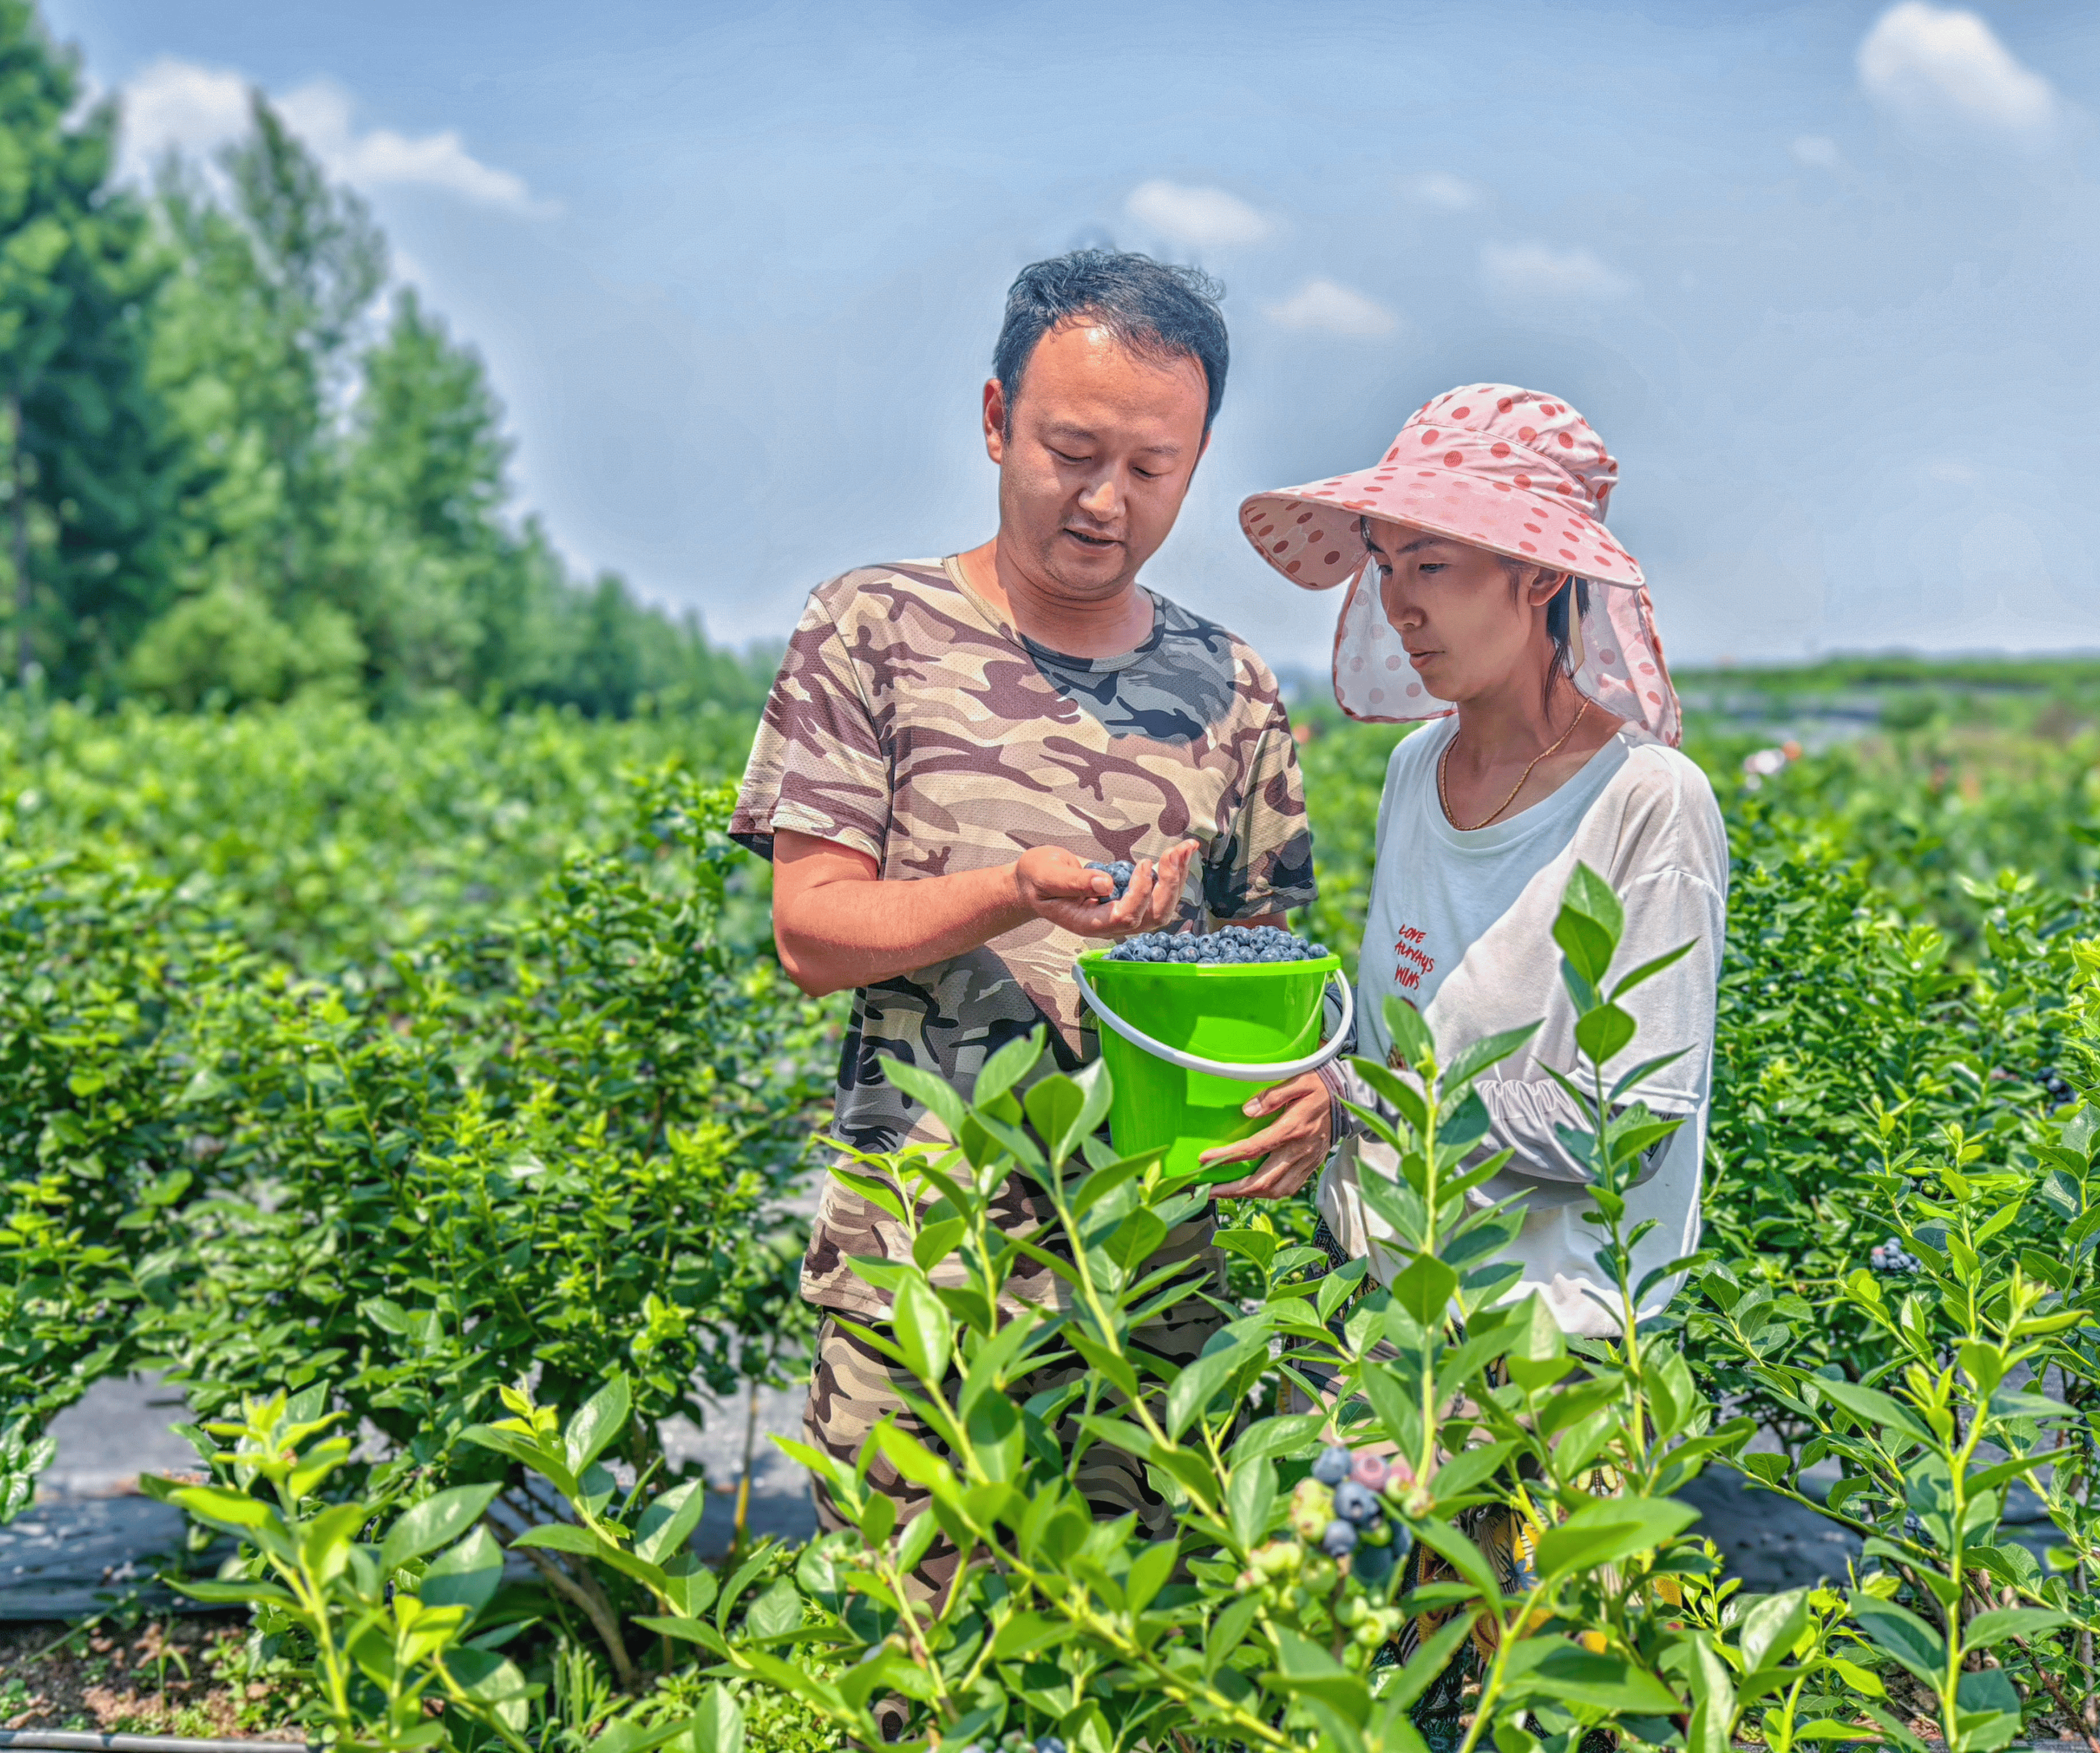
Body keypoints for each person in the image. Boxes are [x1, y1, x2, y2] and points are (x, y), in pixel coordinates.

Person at [727, 251, 1322, 1577]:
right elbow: (811, 930)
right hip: (922, 1287)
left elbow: (1284, 972)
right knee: (914, 1676)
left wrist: (1312, 1093)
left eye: (1153, 467)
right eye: (1071, 451)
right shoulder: (872, 628)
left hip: (1152, 1291)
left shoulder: (1230, 686)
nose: (1107, 501)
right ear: (996, 421)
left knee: (1143, 1668)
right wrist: (1011, 890)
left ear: (1200, 459)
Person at [1208, 383, 1726, 1337]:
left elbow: (1627, 1130)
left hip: (1545, 1354)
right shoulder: (1418, 770)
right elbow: (1407, 1021)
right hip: (1379, 1305)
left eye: (1433, 564)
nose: (1399, 605)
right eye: (1384, 564)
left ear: (1536, 576)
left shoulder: (1645, 800)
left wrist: (1353, 1095)